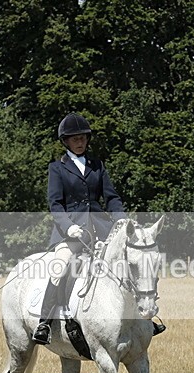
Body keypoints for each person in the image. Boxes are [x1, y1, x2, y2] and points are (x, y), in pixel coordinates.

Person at [32, 112, 166, 345]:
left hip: (102, 229)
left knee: (129, 264)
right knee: (60, 266)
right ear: (66, 141)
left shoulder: (97, 166)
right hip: (71, 232)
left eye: (83, 138)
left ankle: (143, 319)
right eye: (75, 139)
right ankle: (45, 323)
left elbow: (111, 198)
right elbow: (55, 204)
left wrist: (122, 221)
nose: (80, 142)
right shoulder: (57, 168)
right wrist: (68, 227)